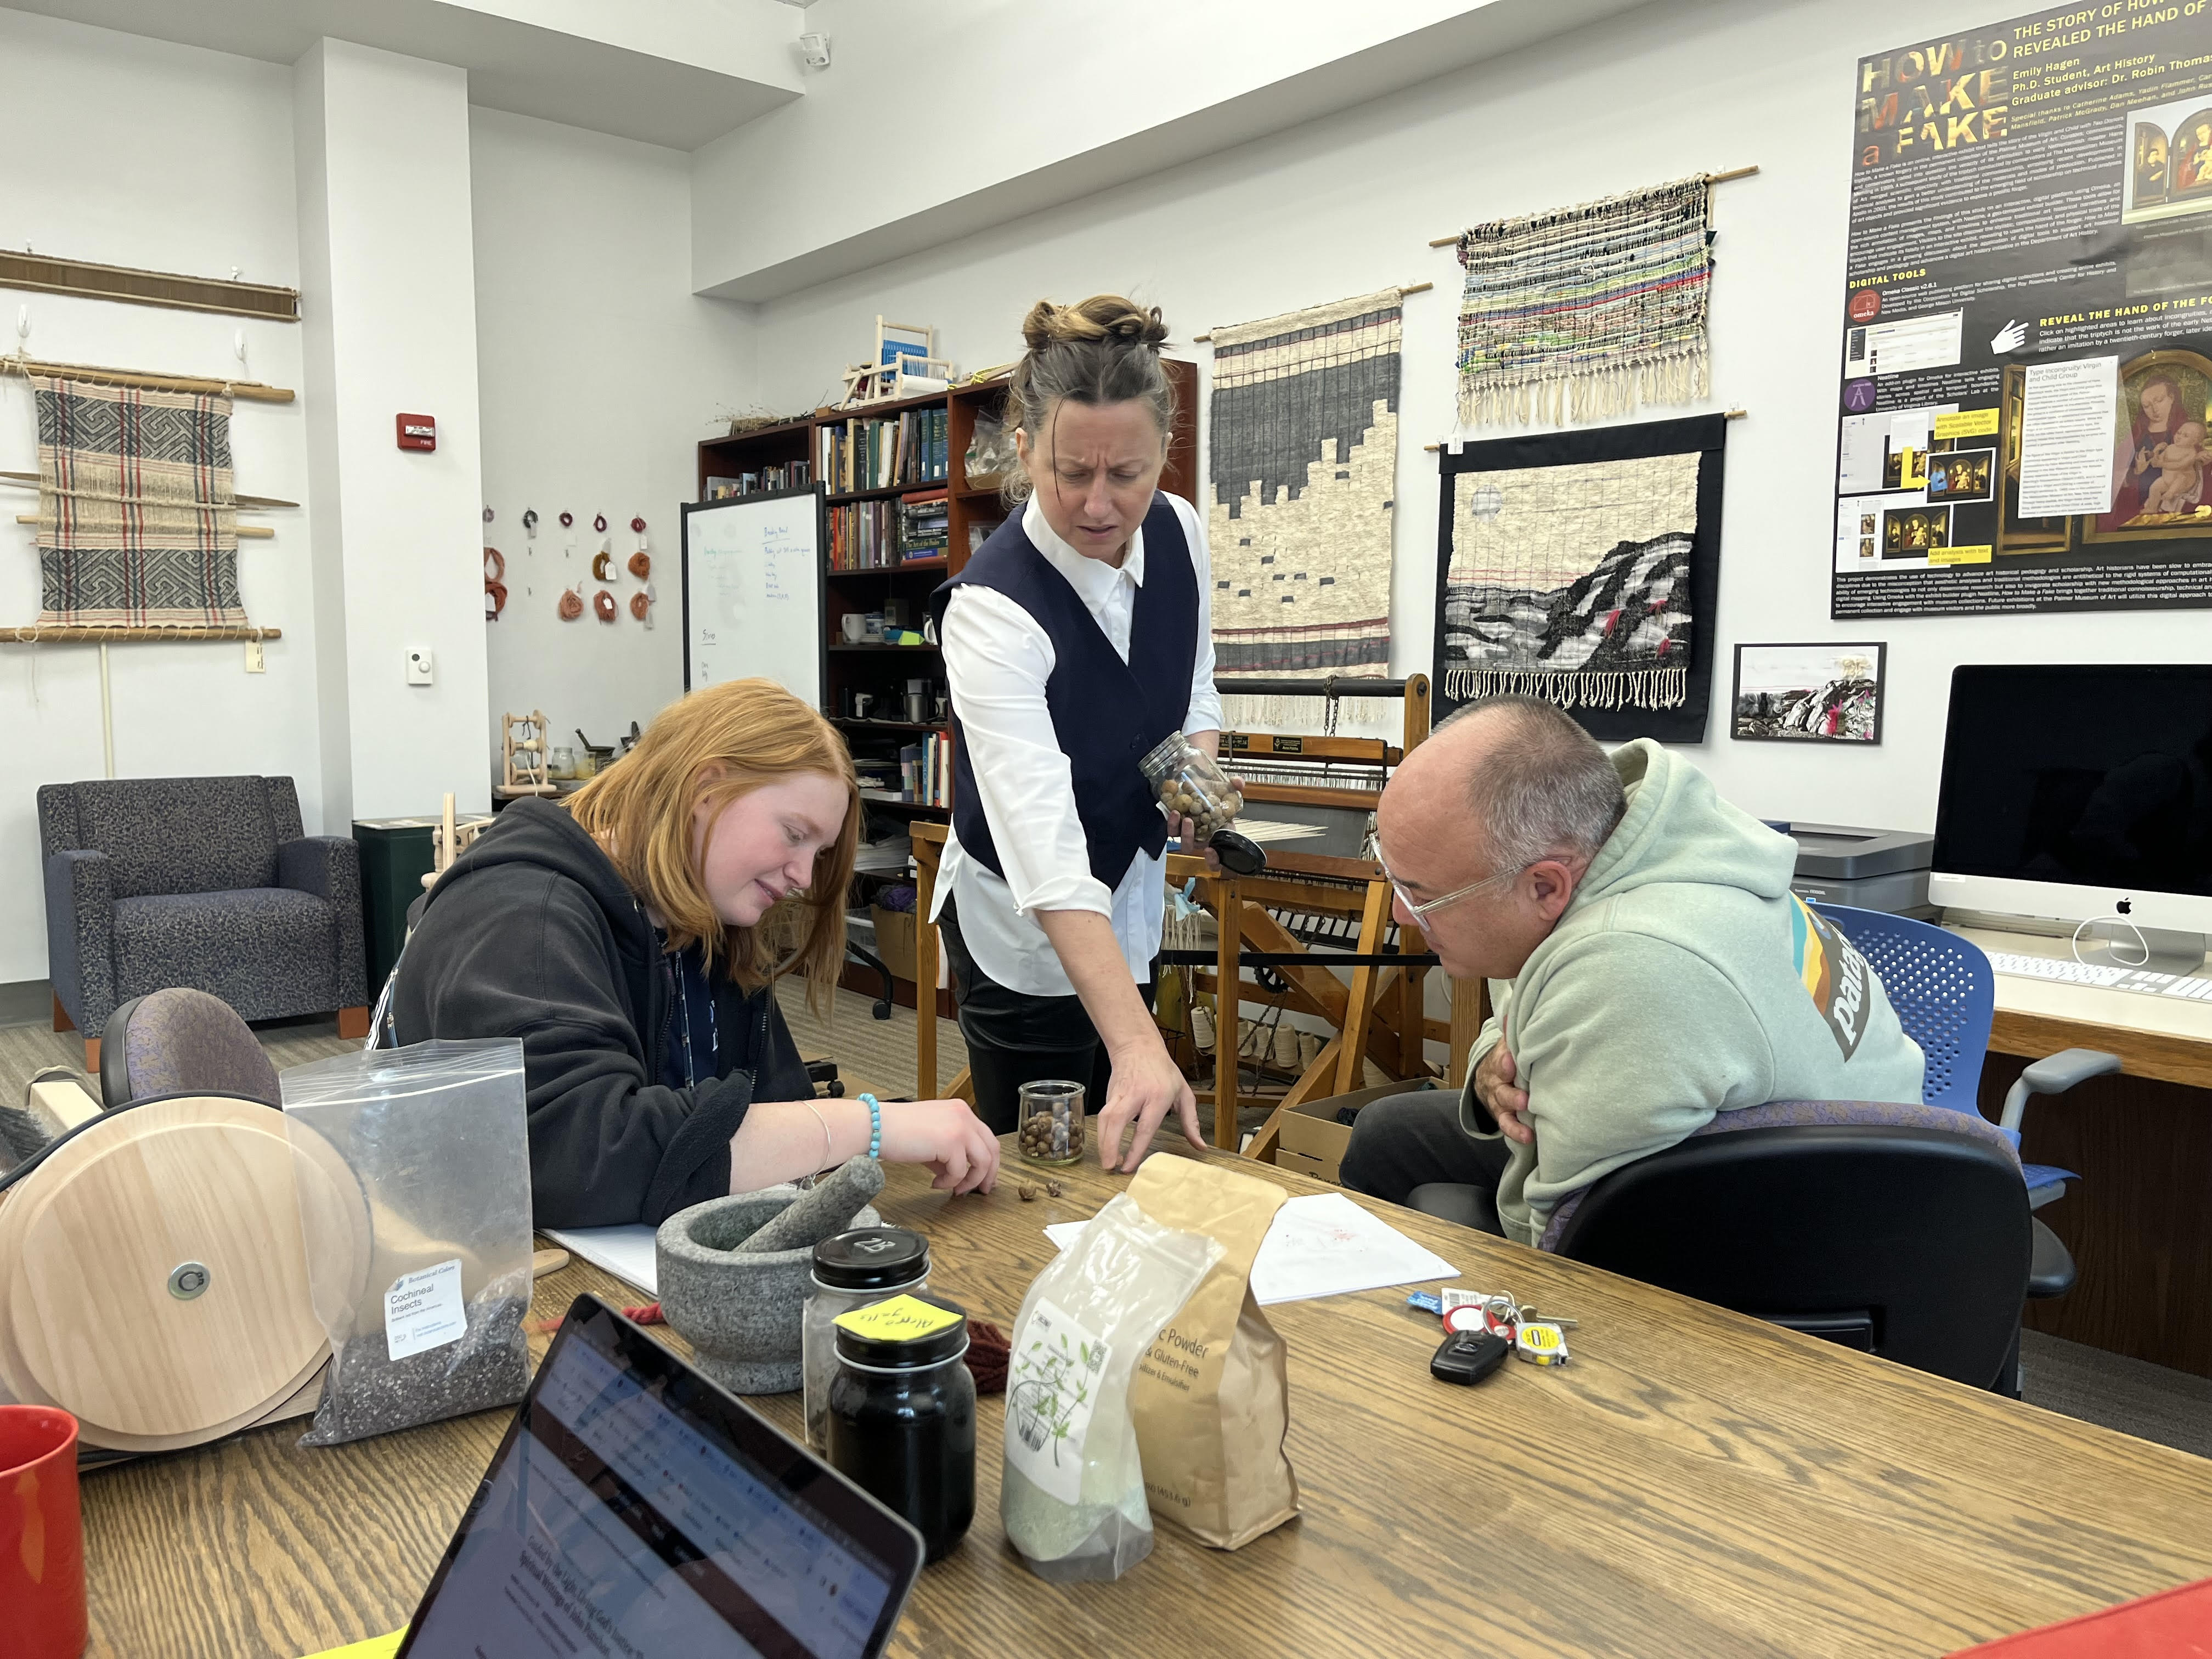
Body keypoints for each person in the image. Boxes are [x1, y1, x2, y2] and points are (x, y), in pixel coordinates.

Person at [390, 678, 1000, 1228]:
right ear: (707, 788)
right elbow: (577, 1156)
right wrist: (871, 1126)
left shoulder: (705, 913)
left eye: (818, 853)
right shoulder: (525, 915)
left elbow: (773, 1105)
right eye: (794, 835)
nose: (804, 878)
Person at [1338, 696, 1925, 1248]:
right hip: (1760, 1156)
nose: (1401, 918)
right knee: (1390, 1134)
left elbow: (1561, 1239)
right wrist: (1494, 1061)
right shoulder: (1639, 849)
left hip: (1808, 1233)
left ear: (1544, 884)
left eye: (1422, 897)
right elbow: (1519, 1005)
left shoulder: (1628, 968)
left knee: (1444, 1220)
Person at [928, 294, 1216, 1171]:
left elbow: (1195, 680)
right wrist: (1139, 1045)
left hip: (1127, 898)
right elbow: (1044, 847)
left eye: (1126, 475)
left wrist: (1195, 772)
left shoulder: (1179, 531)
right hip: (1023, 934)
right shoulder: (989, 610)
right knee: (1044, 1171)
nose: (1099, 505)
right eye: (1070, 474)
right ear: (1021, 450)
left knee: (1122, 1155)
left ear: (1163, 455)